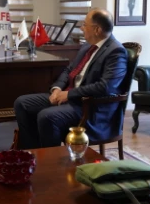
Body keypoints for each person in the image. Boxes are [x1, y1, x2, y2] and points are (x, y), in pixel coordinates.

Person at [14, 8, 127, 148]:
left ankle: (51, 159)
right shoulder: (87, 46)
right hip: (71, 97)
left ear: (97, 30)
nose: (81, 28)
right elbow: (69, 70)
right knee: (22, 103)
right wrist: (57, 89)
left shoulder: (116, 51)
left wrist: (68, 94)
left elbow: (105, 87)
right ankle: (32, 151)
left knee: (46, 116)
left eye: (85, 25)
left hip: (89, 107)